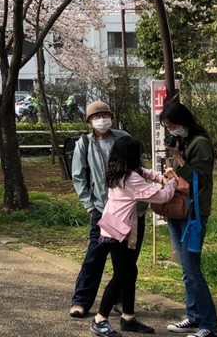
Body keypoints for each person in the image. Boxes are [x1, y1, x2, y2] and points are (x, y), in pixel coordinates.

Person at [89, 135, 177, 337]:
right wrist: (172, 182)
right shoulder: (131, 179)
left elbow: (145, 172)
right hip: (121, 232)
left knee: (130, 272)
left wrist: (160, 177)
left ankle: (128, 317)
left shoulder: (116, 172)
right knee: (121, 275)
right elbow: (161, 196)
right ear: (132, 156)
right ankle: (99, 320)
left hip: (114, 228)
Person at [70, 101, 148, 320]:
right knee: (95, 256)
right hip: (102, 209)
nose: (101, 120)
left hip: (128, 210)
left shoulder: (123, 137)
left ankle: (120, 301)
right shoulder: (84, 143)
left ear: (111, 118)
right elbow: (78, 176)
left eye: (105, 115)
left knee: (125, 260)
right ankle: (81, 301)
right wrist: (89, 205)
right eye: (96, 117)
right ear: (89, 122)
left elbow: (139, 167)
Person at [159, 101, 217, 337]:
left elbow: (199, 180)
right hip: (178, 210)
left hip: (194, 214)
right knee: (186, 269)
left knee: (193, 270)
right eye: (167, 127)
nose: (171, 130)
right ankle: (193, 316)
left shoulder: (200, 143)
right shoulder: (183, 143)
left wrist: (179, 158)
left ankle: (209, 326)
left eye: (172, 125)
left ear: (184, 122)